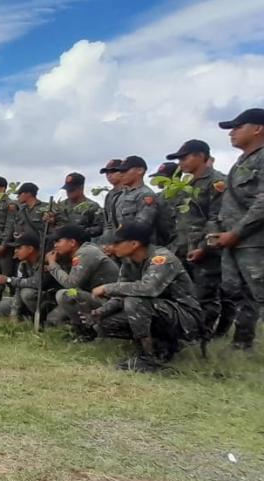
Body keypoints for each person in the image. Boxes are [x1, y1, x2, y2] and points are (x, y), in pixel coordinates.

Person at [91, 223, 202, 372]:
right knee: (104, 324)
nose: (112, 247)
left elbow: (149, 289)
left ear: (134, 243)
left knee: (135, 301)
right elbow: (121, 294)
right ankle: (161, 347)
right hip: (159, 312)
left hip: (186, 318)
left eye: (117, 242)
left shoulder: (162, 258)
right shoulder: (128, 262)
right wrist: (100, 312)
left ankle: (147, 359)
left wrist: (107, 288)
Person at [163, 139, 232, 339]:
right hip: (183, 248)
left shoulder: (217, 182)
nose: (180, 163)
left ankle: (203, 337)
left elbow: (217, 219)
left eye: (184, 158)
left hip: (206, 251)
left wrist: (204, 247)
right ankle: (187, 333)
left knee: (206, 296)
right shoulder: (187, 185)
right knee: (186, 295)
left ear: (201, 156)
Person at [211, 108, 264, 350]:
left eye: (237, 127)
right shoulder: (242, 161)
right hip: (237, 241)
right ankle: (242, 343)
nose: (231, 132)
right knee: (241, 295)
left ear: (257, 128)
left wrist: (237, 232)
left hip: (254, 240)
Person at [45, 225, 119, 339]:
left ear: (72, 242)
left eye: (58, 241)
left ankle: (86, 332)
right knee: (53, 318)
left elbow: (71, 284)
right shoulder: (80, 252)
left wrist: (53, 265)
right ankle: (81, 329)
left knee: (65, 294)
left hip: (109, 302)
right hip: (94, 297)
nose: (55, 245)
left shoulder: (85, 253)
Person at [0, 233, 59, 320]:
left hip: (50, 301)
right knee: (5, 304)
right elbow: (19, 287)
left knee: (27, 293)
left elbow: (37, 282)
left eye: (19, 248)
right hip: (33, 302)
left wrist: (9, 280)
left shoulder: (45, 261)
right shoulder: (23, 264)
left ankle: (42, 320)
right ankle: (26, 318)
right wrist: (14, 314)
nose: (15, 251)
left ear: (30, 249)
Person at [113, 156, 161, 242]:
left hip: (139, 247)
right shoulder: (120, 196)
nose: (121, 174)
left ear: (140, 170)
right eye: (120, 171)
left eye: (125, 170)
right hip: (123, 245)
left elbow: (142, 225)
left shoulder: (146, 194)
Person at [54, 173, 104, 240]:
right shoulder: (60, 206)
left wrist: (81, 232)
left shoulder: (92, 206)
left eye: (72, 190)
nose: (69, 192)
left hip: (83, 244)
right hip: (62, 245)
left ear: (81, 188)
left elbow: (100, 228)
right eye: (67, 190)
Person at [99, 159, 124, 246]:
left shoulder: (131, 192)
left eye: (113, 171)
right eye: (107, 173)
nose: (109, 175)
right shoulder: (109, 195)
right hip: (112, 241)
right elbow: (107, 223)